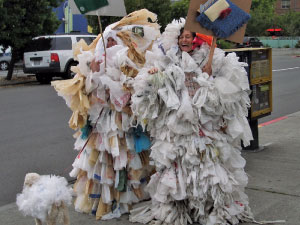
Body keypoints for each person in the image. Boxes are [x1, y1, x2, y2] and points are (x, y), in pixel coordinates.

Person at [129, 18, 254, 225]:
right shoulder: (169, 57)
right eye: (181, 37)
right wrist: (154, 74)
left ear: (195, 39)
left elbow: (227, 88)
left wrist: (209, 80)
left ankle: (210, 208)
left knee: (205, 164)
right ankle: (181, 207)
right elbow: (157, 76)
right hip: (177, 124)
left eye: (188, 36)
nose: (184, 39)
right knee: (178, 163)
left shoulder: (208, 57)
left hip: (203, 123)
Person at [52, 9, 161, 221]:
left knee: (128, 158)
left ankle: (130, 196)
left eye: (114, 42)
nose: (111, 45)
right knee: (106, 159)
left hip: (124, 120)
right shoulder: (94, 63)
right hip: (104, 121)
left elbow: (136, 89)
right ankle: (108, 199)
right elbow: (88, 92)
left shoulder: (129, 62)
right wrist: (94, 71)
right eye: (107, 42)